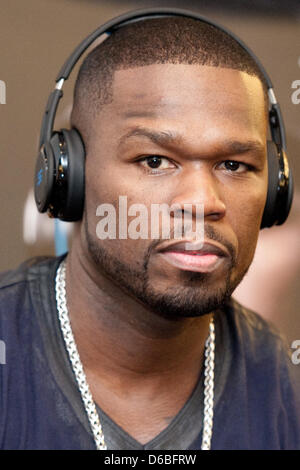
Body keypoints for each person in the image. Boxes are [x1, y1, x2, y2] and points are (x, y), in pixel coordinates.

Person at [0, 9, 299, 450]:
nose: (202, 202)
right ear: (69, 176)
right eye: (155, 161)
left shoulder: (281, 380)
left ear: (275, 192)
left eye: (234, 165)